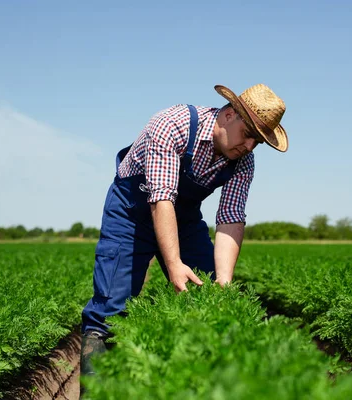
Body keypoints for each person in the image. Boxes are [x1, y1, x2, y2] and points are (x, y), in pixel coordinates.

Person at [79, 83, 289, 388]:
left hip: (184, 217)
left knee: (208, 294)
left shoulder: (243, 161)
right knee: (111, 310)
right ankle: (97, 391)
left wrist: (225, 279)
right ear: (229, 115)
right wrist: (174, 263)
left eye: (258, 143)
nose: (249, 147)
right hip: (131, 213)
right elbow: (162, 197)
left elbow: (230, 217)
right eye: (248, 135)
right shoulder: (172, 125)